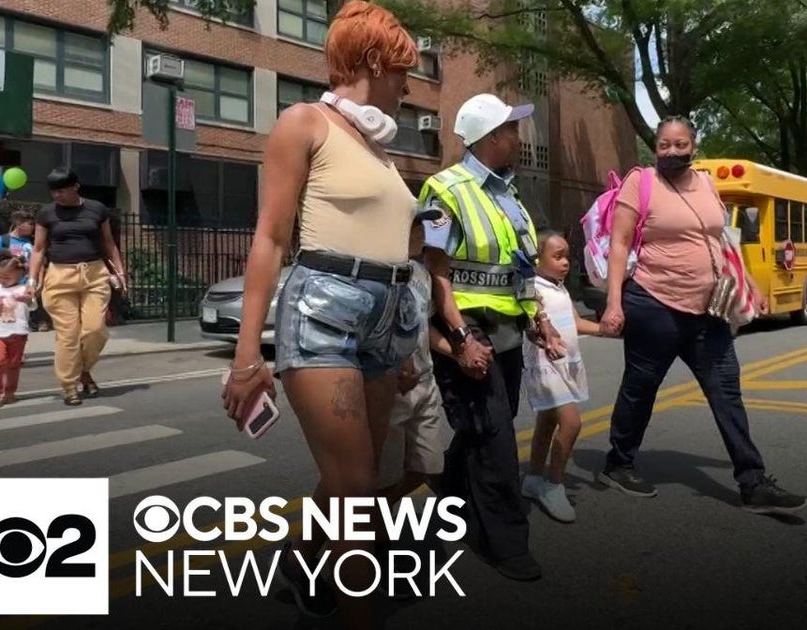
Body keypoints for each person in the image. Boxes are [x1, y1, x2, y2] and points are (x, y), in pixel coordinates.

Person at [219, 2, 421, 626]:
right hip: (325, 310)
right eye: (401, 71)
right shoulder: (303, 122)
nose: (408, 86)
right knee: (359, 494)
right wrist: (248, 355)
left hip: (387, 322)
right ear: (370, 61)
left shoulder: (382, 151)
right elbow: (270, 240)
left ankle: (301, 560)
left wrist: (406, 346)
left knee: (350, 482)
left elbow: (397, 251)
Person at [598, 116, 807, 515]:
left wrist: (751, 285)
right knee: (640, 389)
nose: (672, 152)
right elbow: (620, 243)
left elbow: (721, 239)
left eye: (680, 145)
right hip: (655, 303)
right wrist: (614, 303)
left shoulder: (707, 183)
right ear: (655, 147)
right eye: (664, 145)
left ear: (694, 145)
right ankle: (619, 463)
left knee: (727, 391)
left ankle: (752, 481)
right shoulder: (640, 182)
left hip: (709, 311)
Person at [419, 92, 565, 582]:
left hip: (508, 331)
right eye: (510, 129)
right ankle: (504, 541)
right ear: (488, 137)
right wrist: (460, 339)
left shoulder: (510, 195)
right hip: (467, 327)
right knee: (498, 439)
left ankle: (448, 501)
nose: (518, 137)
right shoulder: (445, 190)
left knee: (483, 430)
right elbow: (436, 272)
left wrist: (539, 322)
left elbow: (521, 271)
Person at [520, 229, 602, 523]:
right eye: (558, 256)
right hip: (546, 365)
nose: (566, 262)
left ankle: (533, 477)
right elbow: (532, 324)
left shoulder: (560, 287)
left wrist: (605, 328)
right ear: (537, 259)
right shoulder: (533, 289)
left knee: (547, 422)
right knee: (572, 422)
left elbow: (576, 322)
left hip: (565, 364)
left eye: (567, 256)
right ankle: (554, 485)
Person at [27, 168, 126, 406]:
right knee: (68, 336)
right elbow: (39, 249)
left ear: (75, 187)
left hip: (94, 274)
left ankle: (83, 370)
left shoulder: (97, 209)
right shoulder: (46, 213)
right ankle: (69, 385)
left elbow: (109, 243)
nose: (57, 195)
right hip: (60, 276)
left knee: (94, 330)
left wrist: (121, 273)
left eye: (61, 190)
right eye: (53, 191)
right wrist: (32, 280)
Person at [376, 212, 447, 503]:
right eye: (413, 226)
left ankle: (374, 517)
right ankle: (368, 531)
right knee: (382, 474)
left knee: (428, 467)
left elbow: (423, 324)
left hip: (424, 380)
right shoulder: (380, 271)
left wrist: (456, 350)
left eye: (422, 228)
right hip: (392, 385)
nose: (419, 234)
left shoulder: (422, 274)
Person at [0, 251, 36, 407]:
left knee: (14, 364)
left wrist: (27, 299)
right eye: (0, 277)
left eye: (7, 277)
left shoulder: (23, 289)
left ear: (19, 274)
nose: (3, 281)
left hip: (18, 331)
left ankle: (10, 392)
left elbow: (33, 305)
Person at [0, 210, 49, 332]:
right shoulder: (2, 240)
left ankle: (34, 324)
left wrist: (40, 281)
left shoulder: (30, 242)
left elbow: (38, 262)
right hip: (8, 284)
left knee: (24, 310)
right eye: (30, 224)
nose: (33, 228)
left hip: (26, 284)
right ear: (19, 224)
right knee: (9, 311)